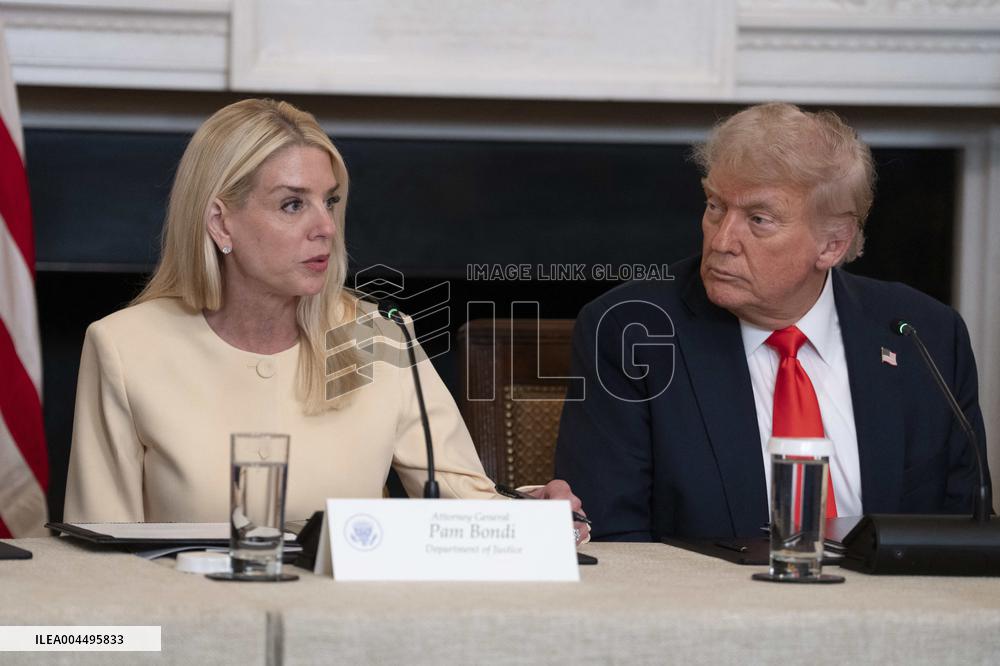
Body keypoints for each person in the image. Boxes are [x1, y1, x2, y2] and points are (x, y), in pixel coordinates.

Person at [64, 98, 588, 542]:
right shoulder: (124, 347)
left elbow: (464, 502)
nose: (325, 228)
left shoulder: (378, 333)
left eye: (330, 202)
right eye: (293, 205)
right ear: (221, 221)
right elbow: (96, 548)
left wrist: (538, 514)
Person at [554, 102, 989, 541]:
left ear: (832, 246)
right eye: (715, 206)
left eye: (758, 220)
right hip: (710, 606)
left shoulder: (926, 336)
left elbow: (961, 536)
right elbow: (614, 541)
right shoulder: (632, 331)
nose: (722, 240)